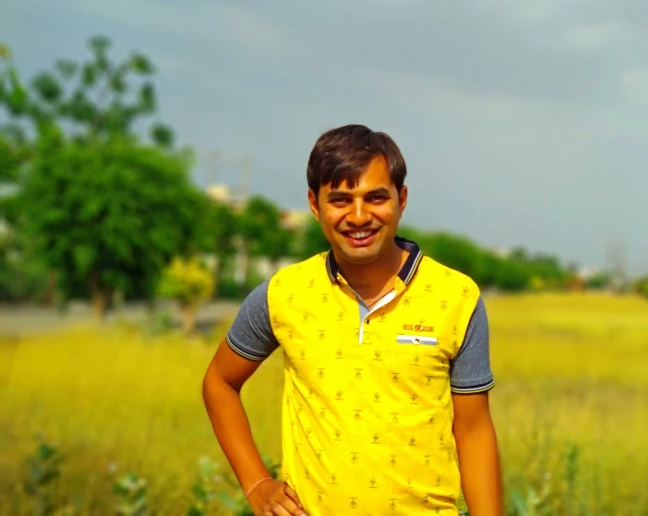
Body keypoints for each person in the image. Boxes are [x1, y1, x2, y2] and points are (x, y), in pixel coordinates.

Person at [202, 124, 503, 515]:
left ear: (402, 199)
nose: (359, 217)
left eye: (376, 198)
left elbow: (474, 431)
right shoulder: (283, 293)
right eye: (340, 200)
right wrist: (257, 483)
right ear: (314, 204)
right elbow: (219, 382)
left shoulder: (456, 297)